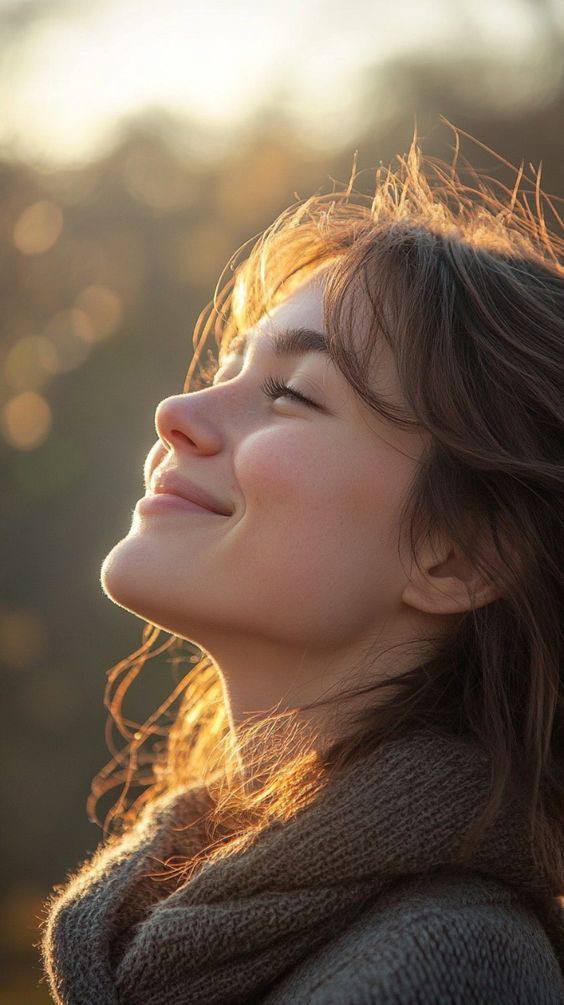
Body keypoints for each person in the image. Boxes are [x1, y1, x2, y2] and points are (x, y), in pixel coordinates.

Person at [41, 133, 564, 1003]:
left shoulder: (443, 964)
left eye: (291, 393)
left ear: (461, 553)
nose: (176, 412)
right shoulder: (176, 920)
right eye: (223, 368)